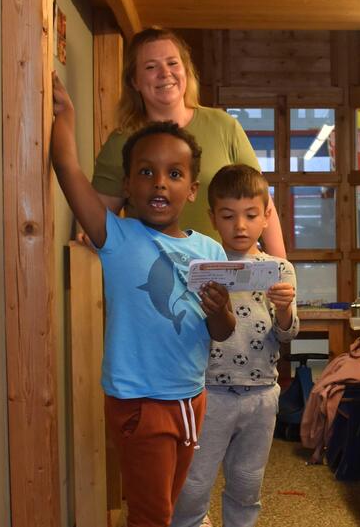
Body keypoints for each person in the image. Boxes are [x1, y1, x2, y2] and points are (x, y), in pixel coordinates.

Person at [51, 73, 237, 527]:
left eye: (174, 174)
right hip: (139, 401)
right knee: (151, 516)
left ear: (192, 189)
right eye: (146, 172)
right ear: (128, 185)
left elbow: (222, 331)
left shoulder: (210, 250)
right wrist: (66, 115)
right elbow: (68, 170)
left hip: (191, 398)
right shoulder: (115, 236)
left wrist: (219, 310)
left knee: (165, 509)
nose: (159, 184)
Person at [171, 165, 299, 527]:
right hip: (208, 392)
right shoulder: (201, 265)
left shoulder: (280, 269)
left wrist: (285, 308)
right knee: (193, 484)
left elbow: (287, 335)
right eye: (228, 216)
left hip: (262, 393)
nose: (240, 226)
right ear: (213, 217)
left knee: (246, 483)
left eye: (251, 215)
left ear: (267, 216)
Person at [91, 26, 286, 257]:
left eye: (173, 63)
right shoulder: (120, 142)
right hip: (153, 272)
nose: (165, 73)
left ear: (186, 70)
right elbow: (98, 224)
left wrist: (280, 267)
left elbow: (261, 201)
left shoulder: (223, 125)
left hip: (223, 271)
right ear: (134, 81)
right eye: (151, 67)